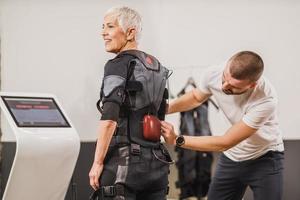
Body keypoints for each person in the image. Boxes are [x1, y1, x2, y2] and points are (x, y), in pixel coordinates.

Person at [161, 51, 284, 200]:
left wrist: (176, 139)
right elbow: (195, 97)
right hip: (232, 156)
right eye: (224, 78)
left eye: (233, 86)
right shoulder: (214, 73)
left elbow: (225, 142)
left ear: (252, 85)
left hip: (264, 157)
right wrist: (163, 109)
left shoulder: (265, 100)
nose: (224, 86)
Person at [89, 6, 172, 200]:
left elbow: (109, 117)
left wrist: (97, 162)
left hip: (124, 166)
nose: (103, 33)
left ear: (130, 32)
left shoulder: (118, 64)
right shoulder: (160, 68)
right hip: (158, 164)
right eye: (103, 27)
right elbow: (160, 117)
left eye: (110, 26)